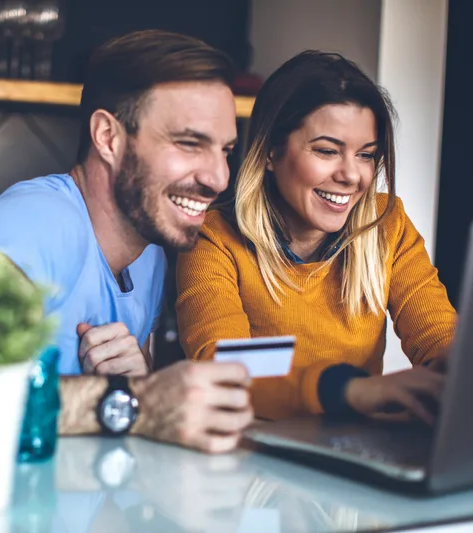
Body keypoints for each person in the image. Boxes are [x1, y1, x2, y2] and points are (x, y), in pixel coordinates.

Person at [0, 30, 253, 454]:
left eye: (226, 150)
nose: (218, 178)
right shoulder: (35, 223)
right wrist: (134, 402)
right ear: (108, 137)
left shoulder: (151, 255)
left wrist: (136, 380)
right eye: (189, 143)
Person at [176, 50, 457, 424]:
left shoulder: (388, 224)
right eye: (327, 151)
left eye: (366, 155)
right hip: (256, 460)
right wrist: (347, 390)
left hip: (355, 449)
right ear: (271, 152)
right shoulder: (214, 238)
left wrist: (456, 376)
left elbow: (440, 336)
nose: (352, 176)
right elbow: (224, 369)